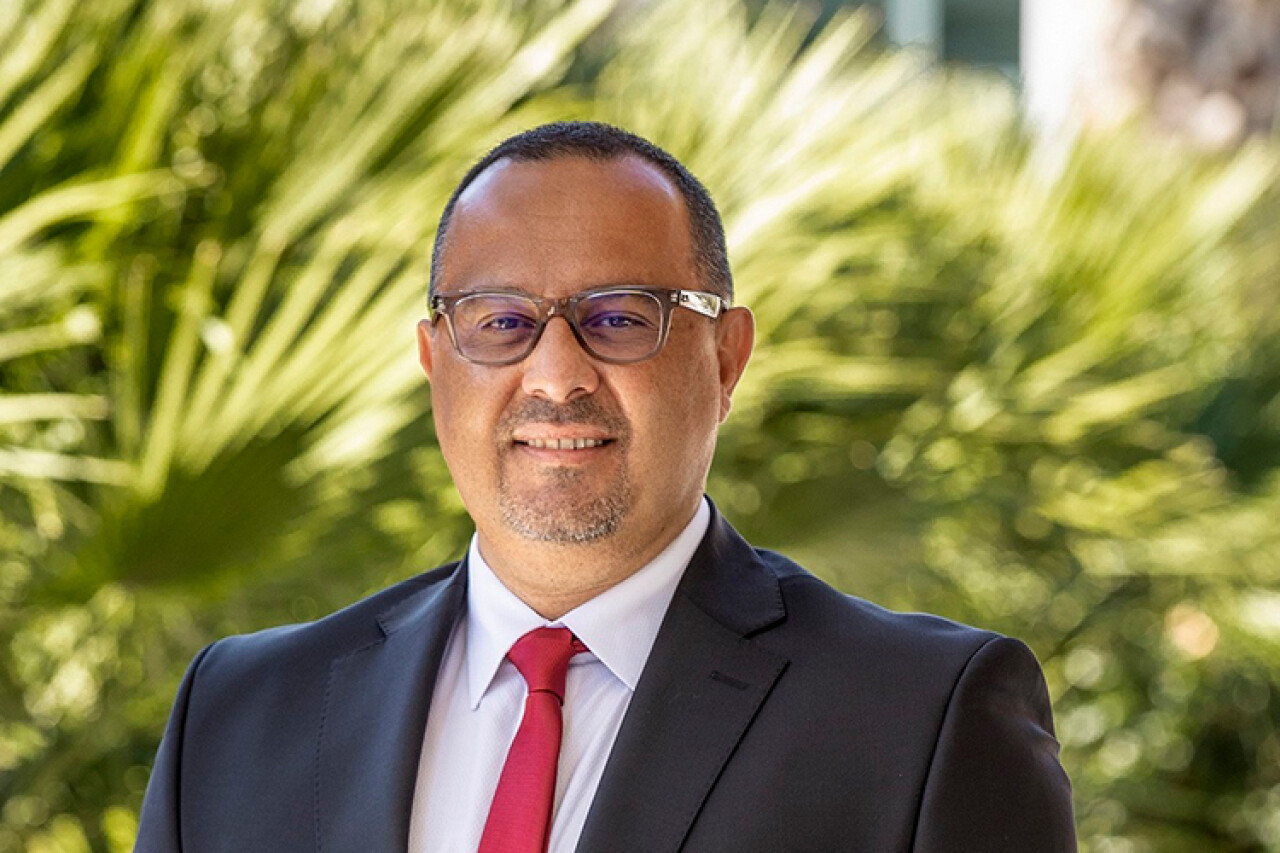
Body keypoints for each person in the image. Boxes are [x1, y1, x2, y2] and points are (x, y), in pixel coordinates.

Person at [135, 121, 1076, 853]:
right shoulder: (240, 713)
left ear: (726, 357)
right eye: (501, 321)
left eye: (620, 318)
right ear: (434, 360)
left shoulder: (920, 718)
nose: (555, 376)